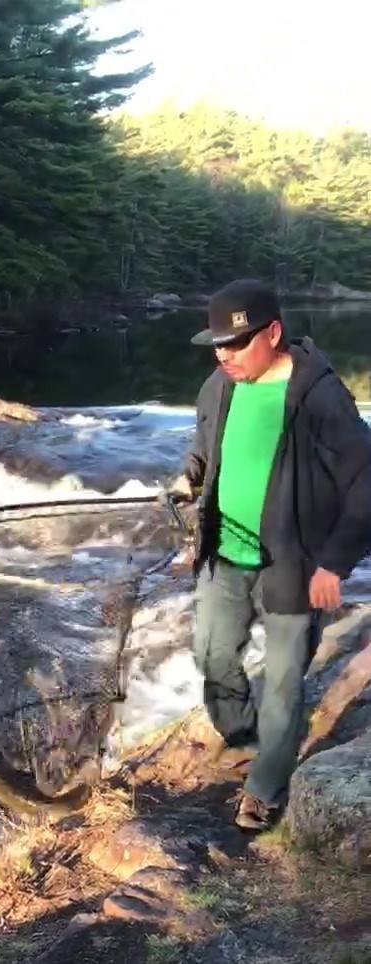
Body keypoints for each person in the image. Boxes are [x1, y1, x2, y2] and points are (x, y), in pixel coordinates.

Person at [169, 277, 371, 830]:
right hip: (223, 552)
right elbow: (205, 449)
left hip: (295, 565)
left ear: (273, 333)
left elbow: (364, 484)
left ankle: (266, 785)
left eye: (235, 343)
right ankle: (242, 738)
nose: (223, 354)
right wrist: (191, 476)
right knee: (212, 655)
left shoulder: (322, 396)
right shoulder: (218, 385)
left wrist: (334, 563)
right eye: (215, 344)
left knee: (283, 682)